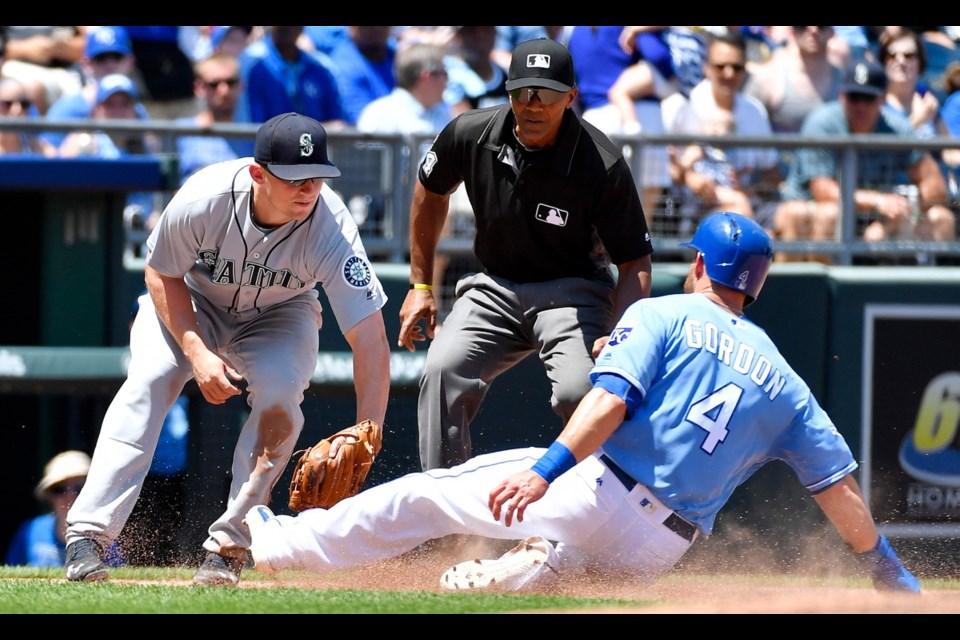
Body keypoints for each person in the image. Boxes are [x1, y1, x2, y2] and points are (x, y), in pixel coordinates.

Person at [243, 212, 921, 596]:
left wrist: (547, 470)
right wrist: (884, 567)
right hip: (662, 545)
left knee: (425, 494)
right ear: (756, 286)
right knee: (584, 570)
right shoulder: (783, 377)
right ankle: (544, 567)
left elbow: (608, 405)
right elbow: (837, 490)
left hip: (592, 488)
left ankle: (278, 544)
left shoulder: (666, 315)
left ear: (701, 267)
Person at [63, 112, 391, 587]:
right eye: (295, 178)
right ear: (258, 173)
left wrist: (369, 429)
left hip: (281, 312)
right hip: (192, 301)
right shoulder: (206, 196)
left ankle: (230, 547)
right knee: (151, 379)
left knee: (281, 401)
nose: (308, 188)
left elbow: (370, 338)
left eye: (317, 177)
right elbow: (161, 273)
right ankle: (87, 537)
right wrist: (196, 353)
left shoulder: (332, 227)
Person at [397, 37, 654, 472]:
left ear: (571, 97)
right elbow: (430, 191)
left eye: (547, 94)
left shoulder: (600, 162)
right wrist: (420, 284)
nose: (532, 105)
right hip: (494, 285)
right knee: (443, 370)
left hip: (575, 291)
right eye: (522, 92)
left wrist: (620, 340)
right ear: (508, 91)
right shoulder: (470, 132)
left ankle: (594, 518)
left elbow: (635, 263)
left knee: (583, 392)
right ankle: (448, 522)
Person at [774, 58, 956, 263]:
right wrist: (878, 201)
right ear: (841, 96)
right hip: (812, 209)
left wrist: (902, 214)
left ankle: (930, 293)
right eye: (854, 97)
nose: (860, 106)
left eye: (868, 98)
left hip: (874, 217)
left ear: (882, 99)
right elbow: (823, 191)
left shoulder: (896, 127)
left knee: (941, 217)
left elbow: (934, 186)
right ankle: (818, 292)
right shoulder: (823, 123)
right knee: (828, 214)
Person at [5, 451, 122, 567]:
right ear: (49, 496)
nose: (70, 496)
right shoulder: (30, 531)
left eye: (80, 488)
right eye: (59, 489)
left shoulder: (106, 538)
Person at [41, 25, 146, 149]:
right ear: (86, 63)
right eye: (100, 58)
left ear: (131, 62)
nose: (109, 65)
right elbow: (48, 157)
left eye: (116, 57)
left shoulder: (137, 110)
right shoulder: (67, 108)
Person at [237, 26, 346, 129]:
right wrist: (318, 130)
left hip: (317, 147)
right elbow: (253, 128)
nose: (288, 27)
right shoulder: (250, 63)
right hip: (267, 148)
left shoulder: (321, 67)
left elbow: (337, 121)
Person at [174, 52, 254, 186]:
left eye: (231, 82)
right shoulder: (181, 132)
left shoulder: (255, 136)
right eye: (214, 84)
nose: (224, 91)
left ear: (241, 85)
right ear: (199, 88)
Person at [325, 26, 397, 126]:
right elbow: (365, 125)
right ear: (352, 28)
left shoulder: (395, 55)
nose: (377, 28)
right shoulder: (344, 65)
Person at [0, 77, 56, 156]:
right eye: (7, 104)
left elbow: (58, 160)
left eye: (24, 104)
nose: (17, 110)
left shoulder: (35, 145)